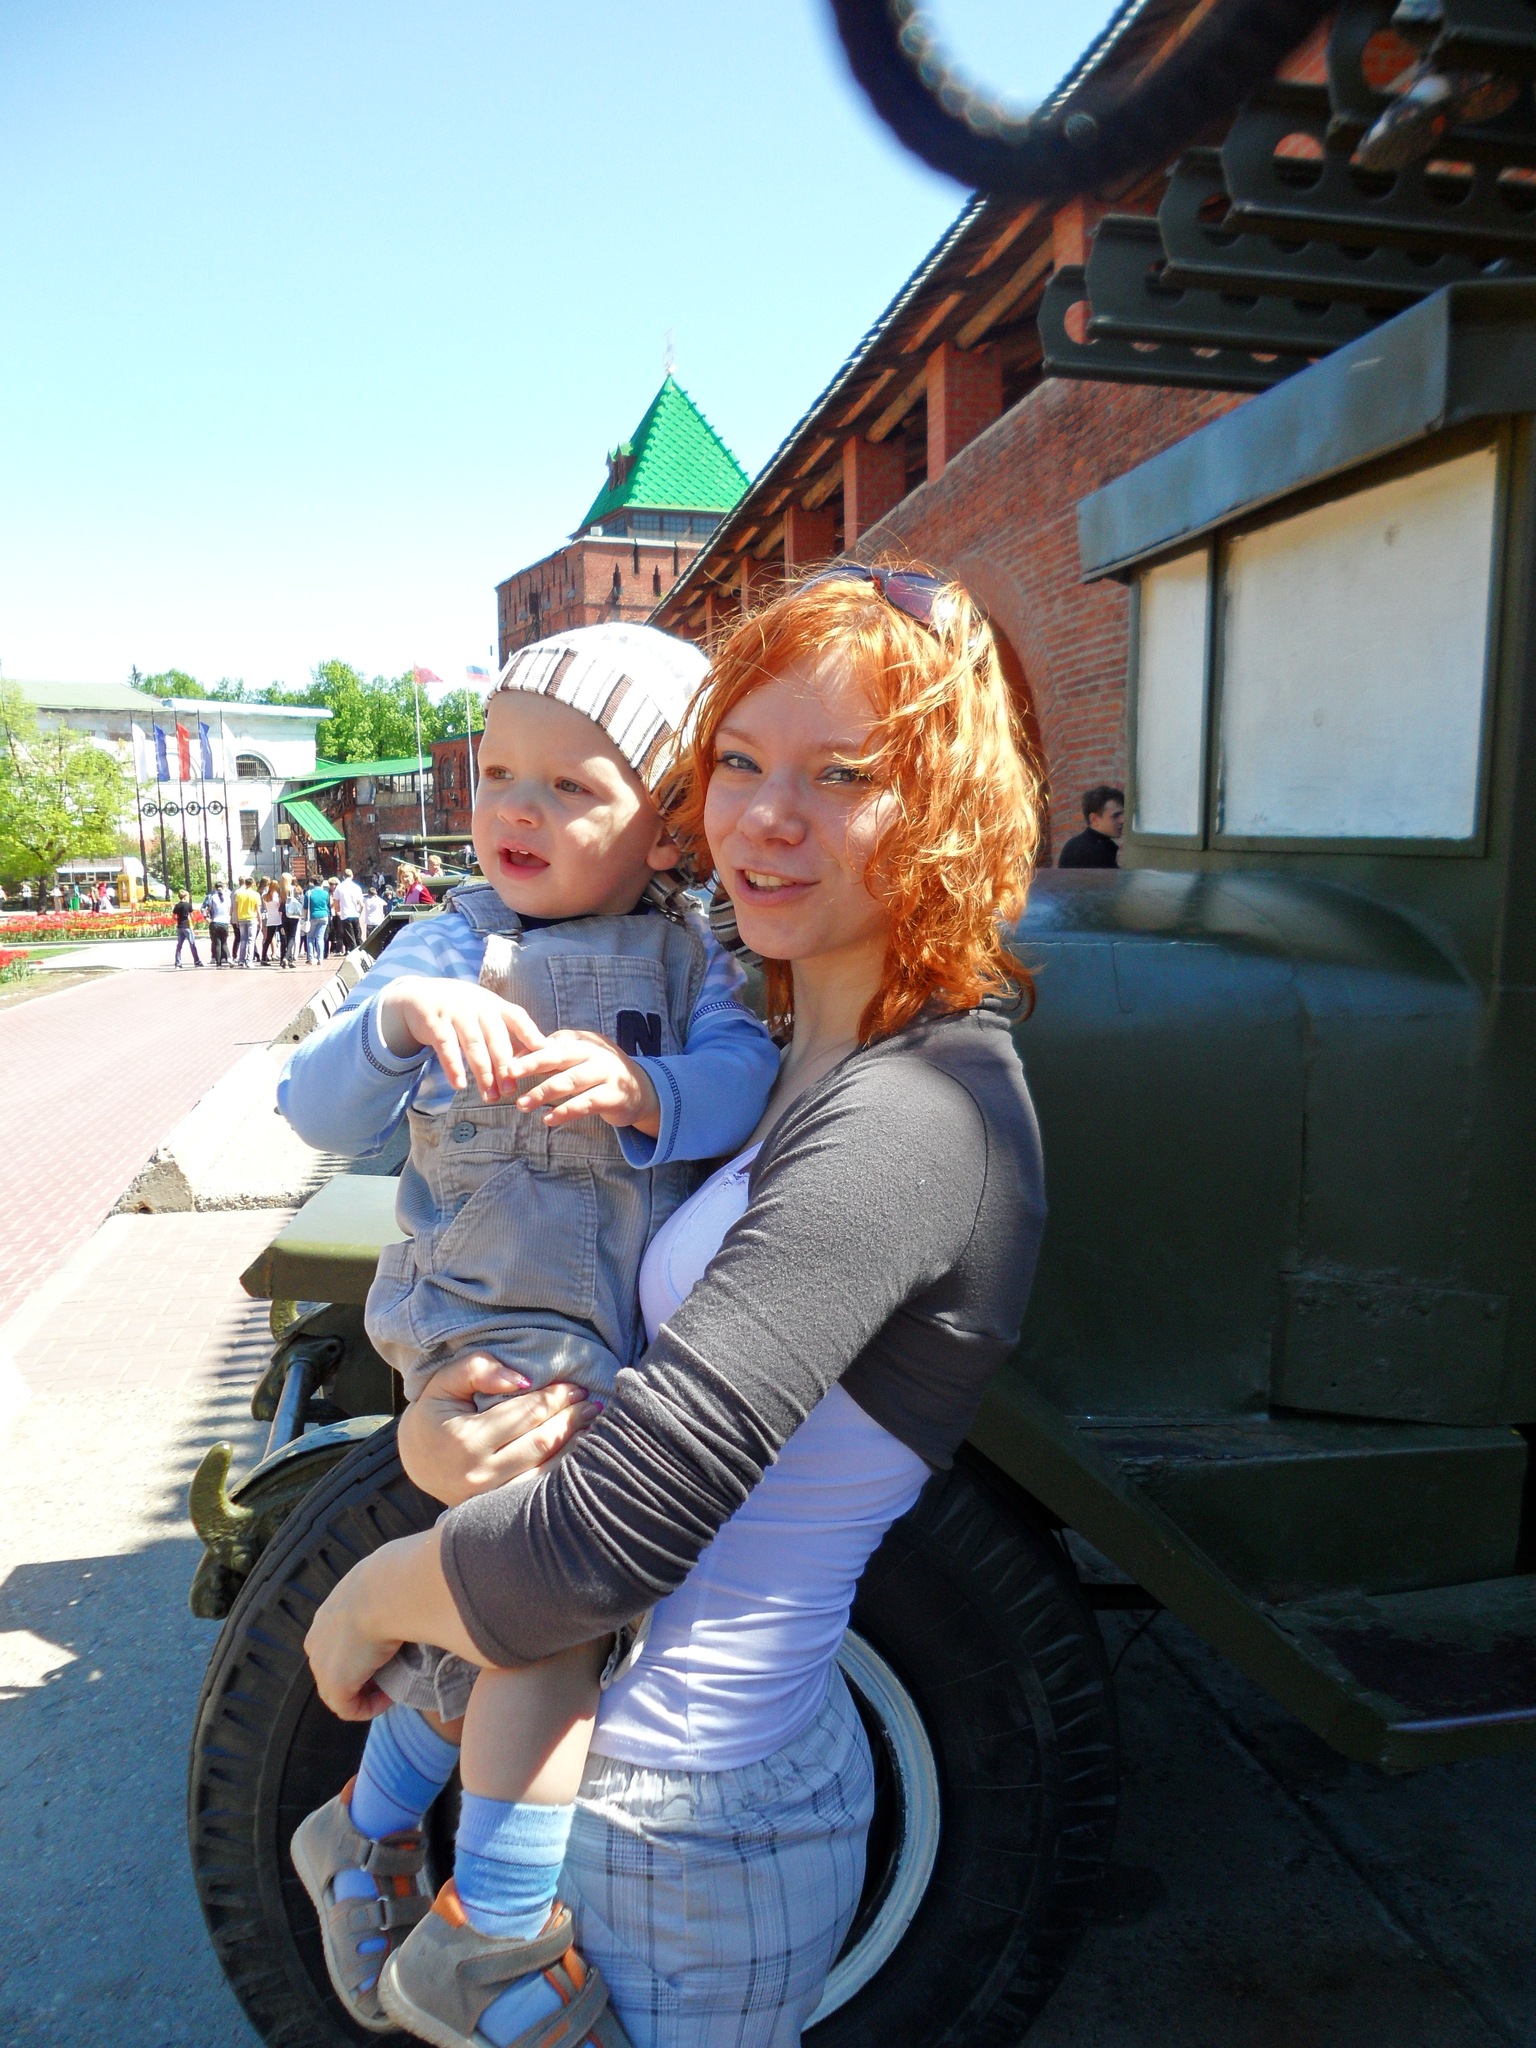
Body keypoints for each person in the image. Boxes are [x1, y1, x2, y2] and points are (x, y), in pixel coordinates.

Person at [301, 565, 1047, 2048]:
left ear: (953, 806)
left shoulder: (916, 1114)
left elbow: (612, 1539)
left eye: (844, 775)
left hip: (697, 1821)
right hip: (620, 1773)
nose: (765, 817)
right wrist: (440, 1439)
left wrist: (363, 1596)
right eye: (741, 764)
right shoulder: (799, 1056)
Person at [279, 623, 780, 2040]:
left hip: (617, 1343)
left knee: (525, 1618)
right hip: (487, 1330)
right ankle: (490, 1933)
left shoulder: (695, 957)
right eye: (500, 772)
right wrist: (400, 1019)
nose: (517, 808)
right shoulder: (452, 942)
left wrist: (650, 1089)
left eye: (572, 786)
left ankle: (365, 1828)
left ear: (667, 827)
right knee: (555, 1601)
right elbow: (315, 1108)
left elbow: (744, 1074)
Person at [1056, 783, 1125, 869]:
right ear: (1094, 819)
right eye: (1115, 815)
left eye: (1122, 814)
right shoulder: (1096, 852)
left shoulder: (1074, 845)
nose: (1122, 820)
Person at [334, 867, 365, 952]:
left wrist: (338, 912)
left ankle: (354, 953)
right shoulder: (356, 887)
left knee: (350, 938)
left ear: (343, 876)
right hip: (355, 914)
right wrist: (359, 912)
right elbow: (362, 904)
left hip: (345, 915)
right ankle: (362, 952)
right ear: (352, 876)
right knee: (358, 936)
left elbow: (336, 902)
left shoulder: (339, 887)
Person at [233, 874, 261, 966]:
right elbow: (257, 909)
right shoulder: (255, 894)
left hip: (241, 918)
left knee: (243, 940)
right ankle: (249, 960)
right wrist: (260, 921)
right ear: (253, 884)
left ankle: (241, 959)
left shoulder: (239, 894)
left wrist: (236, 920)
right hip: (252, 918)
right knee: (251, 940)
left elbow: (236, 908)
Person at [171, 889, 202, 968]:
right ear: (185, 897)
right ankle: (196, 960)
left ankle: (178, 962)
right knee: (192, 944)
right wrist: (193, 925)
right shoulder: (188, 905)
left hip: (180, 926)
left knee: (179, 945)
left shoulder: (177, 905)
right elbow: (191, 916)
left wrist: (178, 920)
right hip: (187, 926)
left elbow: (174, 916)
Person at [205, 881, 233, 966]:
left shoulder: (212, 897)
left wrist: (207, 917)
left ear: (215, 888)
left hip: (215, 921)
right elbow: (230, 910)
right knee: (224, 942)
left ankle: (218, 961)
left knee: (217, 943)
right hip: (225, 922)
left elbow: (208, 908)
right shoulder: (228, 897)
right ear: (223, 887)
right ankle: (229, 958)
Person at [305, 876, 331, 963]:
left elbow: (305, 908)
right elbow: (327, 904)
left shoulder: (309, 893)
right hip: (324, 915)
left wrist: (305, 918)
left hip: (313, 916)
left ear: (313, 883)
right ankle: (320, 958)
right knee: (320, 938)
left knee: (310, 938)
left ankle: (311, 958)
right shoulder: (326, 893)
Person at [281, 874, 304, 966]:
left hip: (284, 914)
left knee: (287, 936)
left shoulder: (281, 890)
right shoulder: (294, 889)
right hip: (293, 914)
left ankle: (289, 960)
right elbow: (299, 901)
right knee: (292, 936)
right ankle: (287, 957)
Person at [261, 880, 285, 963]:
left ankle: (263, 957)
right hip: (279, 919)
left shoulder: (265, 896)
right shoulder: (276, 896)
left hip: (270, 919)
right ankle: (282, 958)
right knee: (283, 939)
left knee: (268, 939)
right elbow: (280, 907)